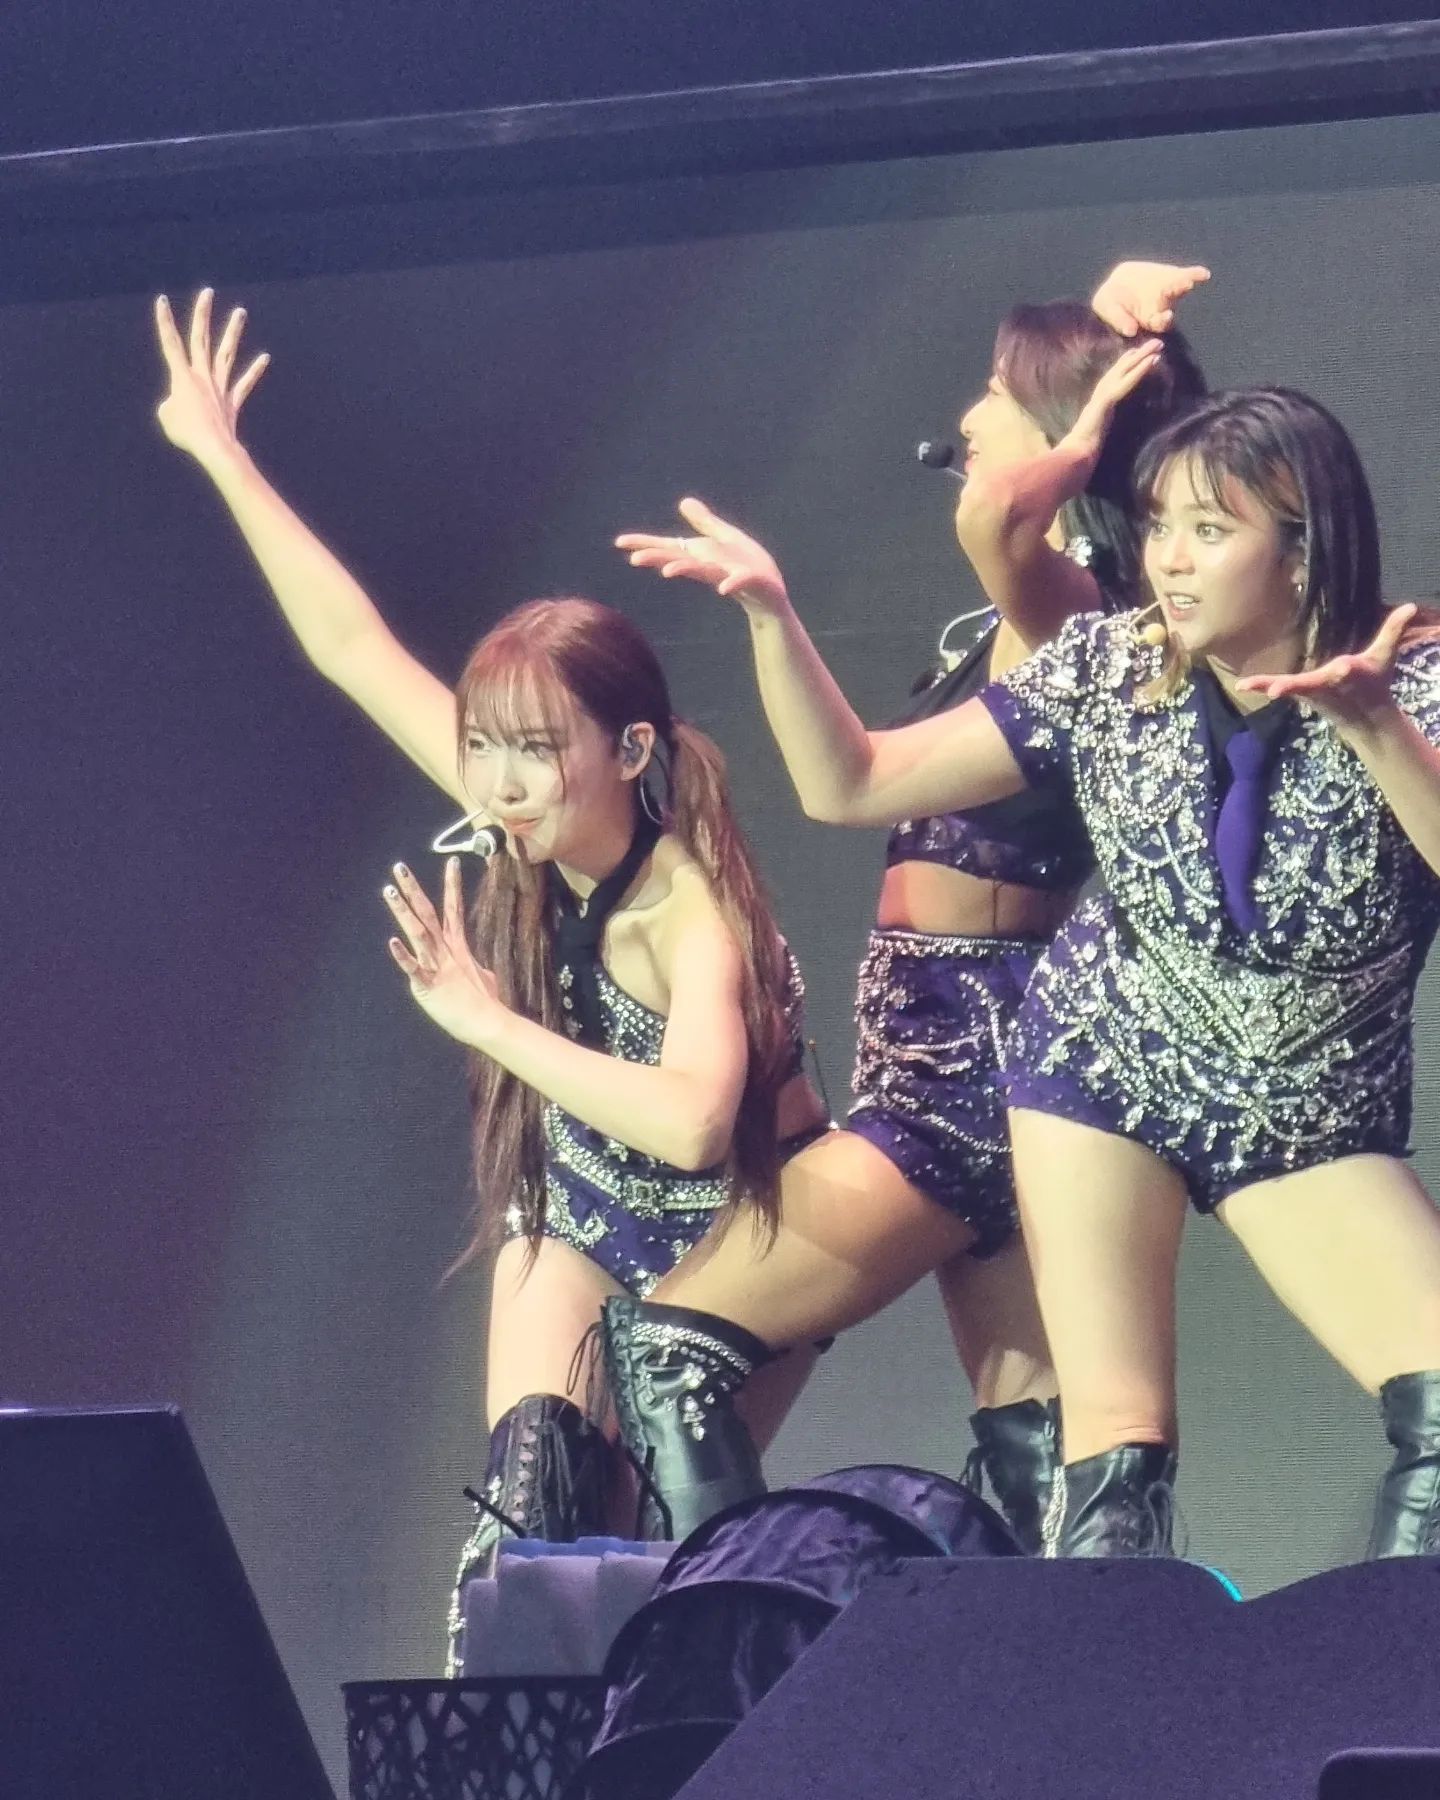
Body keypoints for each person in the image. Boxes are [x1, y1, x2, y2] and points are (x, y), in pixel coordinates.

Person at [633, 373, 1440, 1562]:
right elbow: (850, 783)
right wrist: (771, 615)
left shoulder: (1419, 684)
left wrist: (1377, 730)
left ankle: (1392, 1674)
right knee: (1113, 1454)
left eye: (1209, 531)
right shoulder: (1110, 665)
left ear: (1305, 547)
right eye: (1158, 525)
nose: (1169, 560)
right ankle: (1110, 1670)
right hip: (1107, 1059)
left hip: (1304, 1103)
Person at [151, 290, 829, 1671]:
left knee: (657, 1552)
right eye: (483, 747)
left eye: (535, 749)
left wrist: (486, 1020)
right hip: (581, 1207)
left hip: (747, 1229)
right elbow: (353, 649)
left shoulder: (688, 905)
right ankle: (502, 1750)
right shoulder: (520, 822)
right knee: (534, 1526)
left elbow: (699, 1125)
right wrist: (222, 456)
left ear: (628, 750)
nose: (500, 782)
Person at [606, 286, 1206, 1552]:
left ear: (1066, 432)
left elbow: (995, 517)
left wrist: (1087, 416)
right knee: (1044, 1459)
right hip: (979, 1064)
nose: (967, 420)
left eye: (993, 394)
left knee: (673, 1347)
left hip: (962, 1075)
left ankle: (739, 1653)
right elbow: (845, 781)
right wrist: (770, 610)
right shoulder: (1059, 619)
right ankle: (1075, 1670)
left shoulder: (1080, 618)